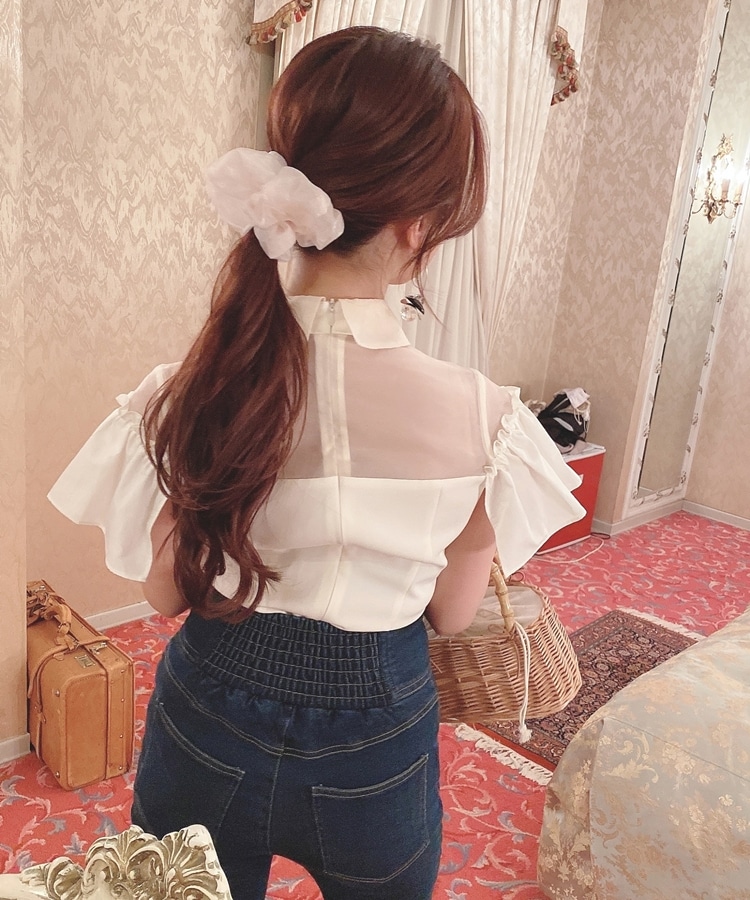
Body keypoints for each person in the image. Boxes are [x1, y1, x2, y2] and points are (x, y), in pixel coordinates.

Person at [48, 26, 584, 900]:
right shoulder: (487, 419)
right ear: (419, 223)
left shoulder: (192, 389)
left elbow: (164, 594)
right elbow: (453, 614)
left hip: (207, 711)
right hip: (379, 737)